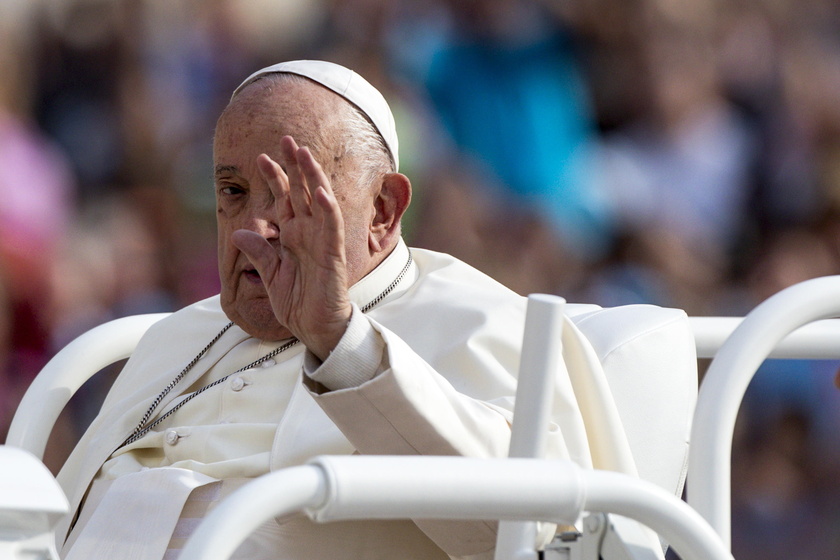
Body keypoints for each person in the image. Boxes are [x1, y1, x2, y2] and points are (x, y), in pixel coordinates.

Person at [53, 60, 686, 560]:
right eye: (233, 192)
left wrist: (342, 341)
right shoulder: (181, 333)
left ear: (382, 211)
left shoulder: (479, 319)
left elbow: (528, 530)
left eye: (291, 197)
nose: (253, 229)